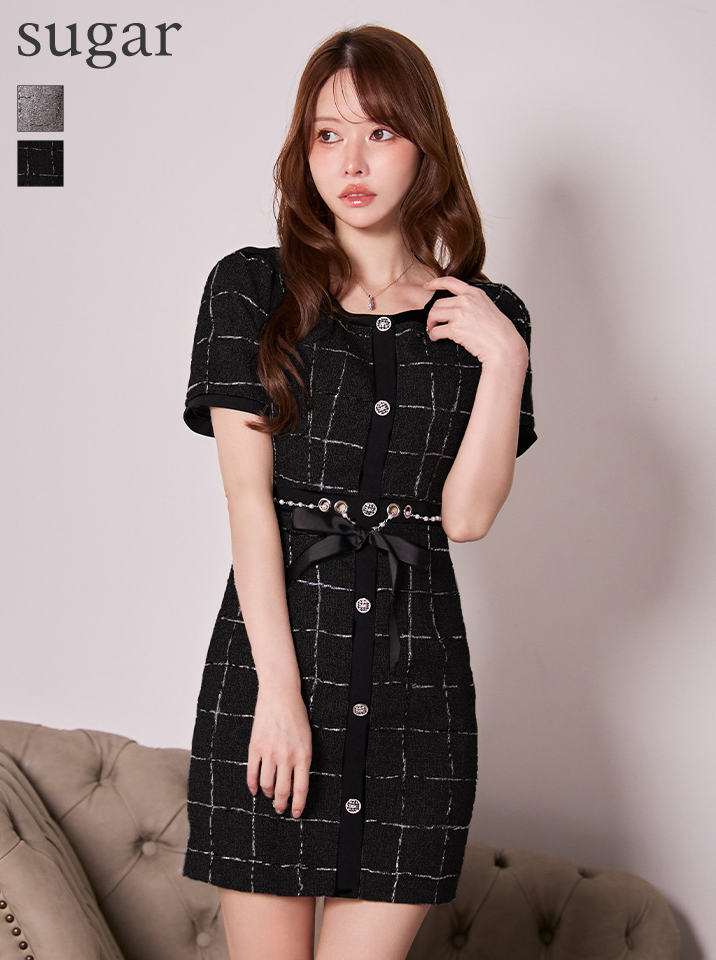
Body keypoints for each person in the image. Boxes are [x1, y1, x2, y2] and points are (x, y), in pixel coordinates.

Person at [181, 23, 536, 960]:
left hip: (419, 700)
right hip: (274, 679)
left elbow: (466, 518)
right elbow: (249, 505)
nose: (352, 161)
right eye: (328, 134)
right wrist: (279, 694)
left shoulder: (486, 317)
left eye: (381, 132)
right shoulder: (251, 288)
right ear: (303, 151)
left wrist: (505, 362)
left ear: (424, 146)